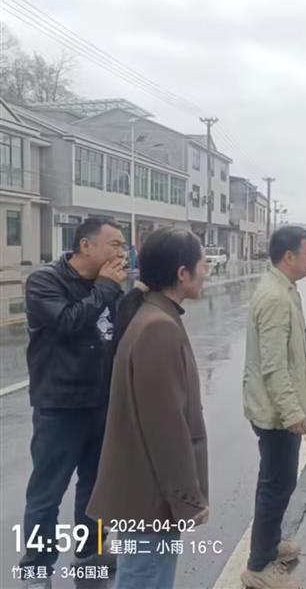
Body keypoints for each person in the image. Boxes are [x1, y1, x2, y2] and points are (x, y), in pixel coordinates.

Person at [87, 228, 209, 589]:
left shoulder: (153, 315)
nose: (207, 271)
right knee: (145, 579)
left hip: (143, 494)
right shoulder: (158, 327)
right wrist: (188, 499)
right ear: (182, 273)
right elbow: (166, 430)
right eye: (203, 264)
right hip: (150, 499)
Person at [20, 218, 126, 588]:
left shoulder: (110, 287)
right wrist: (105, 288)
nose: (122, 252)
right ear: (86, 245)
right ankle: (36, 568)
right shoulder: (45, 282)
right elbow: (68, 322)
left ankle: (89, 551)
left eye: (123, 245)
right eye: (114, 244)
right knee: (47, 492)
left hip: (101, 402)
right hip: (60, 406)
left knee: (96, 486)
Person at [241, 226, 306, 589]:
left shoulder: (284, 289)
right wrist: (292, 413)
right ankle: (259, 565)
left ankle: (270, 545)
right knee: (276, 485)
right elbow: (273, 367)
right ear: (289, 257)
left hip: (277, 411)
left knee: (278, 481)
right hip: (275, 415)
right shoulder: (275, 297)